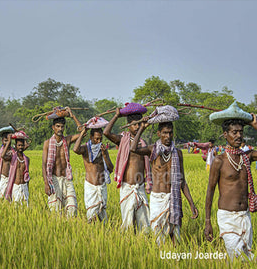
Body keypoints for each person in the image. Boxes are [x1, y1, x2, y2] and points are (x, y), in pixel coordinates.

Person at [203, 104, 257, 260]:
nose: (238, 136)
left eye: (241, 132)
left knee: (245, 259)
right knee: (237, 257)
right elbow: (210, 192)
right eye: (234, 132)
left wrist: (255, 124)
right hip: (227, 217)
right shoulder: (219, 161)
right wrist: (207, 222)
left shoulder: (247, 156)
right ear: (225, 134)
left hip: (245, 216)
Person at [135, 106, 198, 243]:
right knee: (158, 238)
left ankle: (175, 261)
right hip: (158, 198)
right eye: (164, 133)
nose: (168, 136)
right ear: (159, 133)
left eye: (170, 133)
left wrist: (191, 203)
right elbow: (133, 148)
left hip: (174, 198)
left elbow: (182, 181)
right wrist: (142, 127)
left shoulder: (178, 153)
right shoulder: (153, 150)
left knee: (175, 234)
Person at [103, 102, 151, 232]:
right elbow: (106, 132)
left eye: (139, 124)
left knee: (144, 226)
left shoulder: (143, 144)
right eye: (134, 124)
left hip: (139, 187)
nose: (137, 127)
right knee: (128, 224)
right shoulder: (122, 139)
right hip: (127, 187)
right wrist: (116, 116)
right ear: (129, 126)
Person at [72, 115, 114, 222]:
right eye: (96, 139)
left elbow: (110, 168)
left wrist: (105, 155)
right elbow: (75, 149)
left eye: (100, 139)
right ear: (91, 138)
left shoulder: (103, 149)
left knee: (102, 215)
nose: (99, 141)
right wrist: (82, 134)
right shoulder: (86, 148)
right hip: (91, 186)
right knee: (92, 216)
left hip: (102, 186)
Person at [41, 109, 77, 216]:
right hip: (54, 179)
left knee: (72, 207)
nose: (60, 129)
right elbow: (43, 164)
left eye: (62, 126)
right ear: (53, 127)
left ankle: (70, 229)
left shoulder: (68, 140)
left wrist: (72, 116)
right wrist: (46, 183)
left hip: (66, 179)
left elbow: (82, 131)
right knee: (56, 211)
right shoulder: (47, 143)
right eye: (57, 126)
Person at [0, 130, 31, 204]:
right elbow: (2, 156)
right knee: (16, 207)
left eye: (22, 145)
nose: (21, 147)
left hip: (24, 186)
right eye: (19, 145)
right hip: (16, 186)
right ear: (15, 146)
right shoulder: (12, 157)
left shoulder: (26, 159)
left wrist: (27, 189)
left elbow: (27, 175)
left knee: (26, 207)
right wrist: (8, 142)